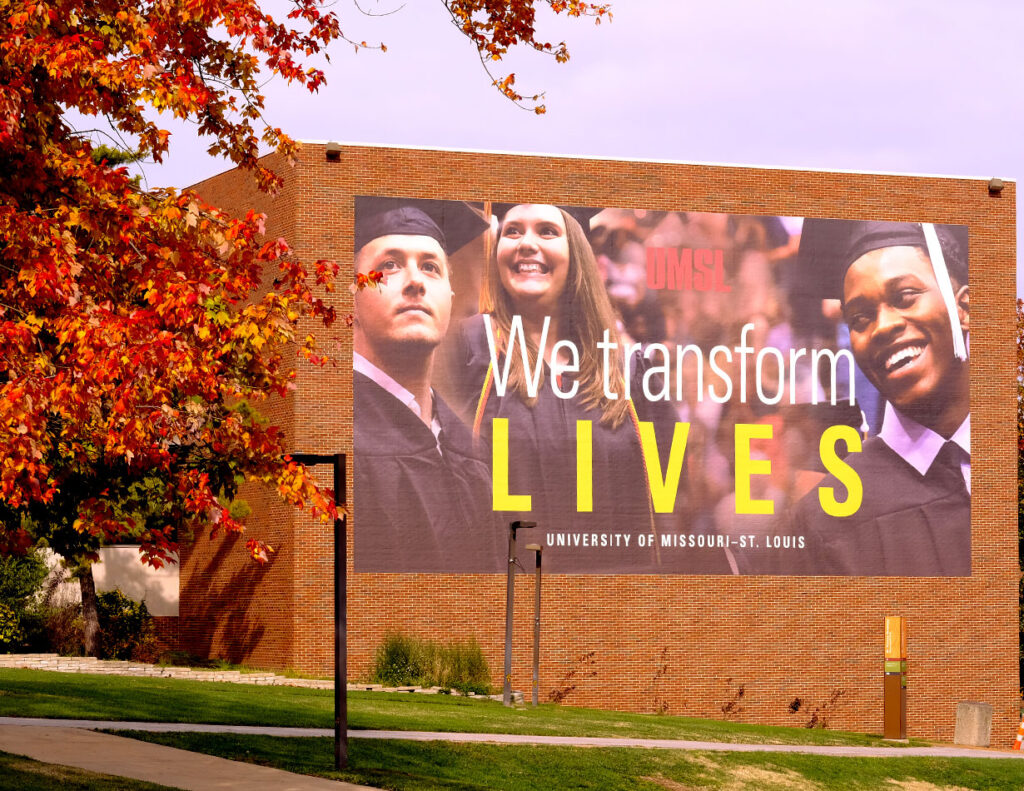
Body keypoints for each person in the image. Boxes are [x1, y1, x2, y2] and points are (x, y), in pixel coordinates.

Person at [449, 203, 730, 574]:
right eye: (513, 231)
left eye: (547, 231)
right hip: (507, 602)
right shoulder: (470, 349)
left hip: (614, 601)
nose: (525, 243)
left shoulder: (630, 370)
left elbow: (670, 498)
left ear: (577, 252)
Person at [773, 218, 970, 576]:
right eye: (860, 319)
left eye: (904, 297)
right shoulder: (827, 517)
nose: (883, 326)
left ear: (966, 310)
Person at [352, 197, 501, 573]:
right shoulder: (339, 438)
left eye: (431, 267)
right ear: (349, 294)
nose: (416, 281)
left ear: (451, 296)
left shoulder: (469, 443)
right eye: (390, 265)